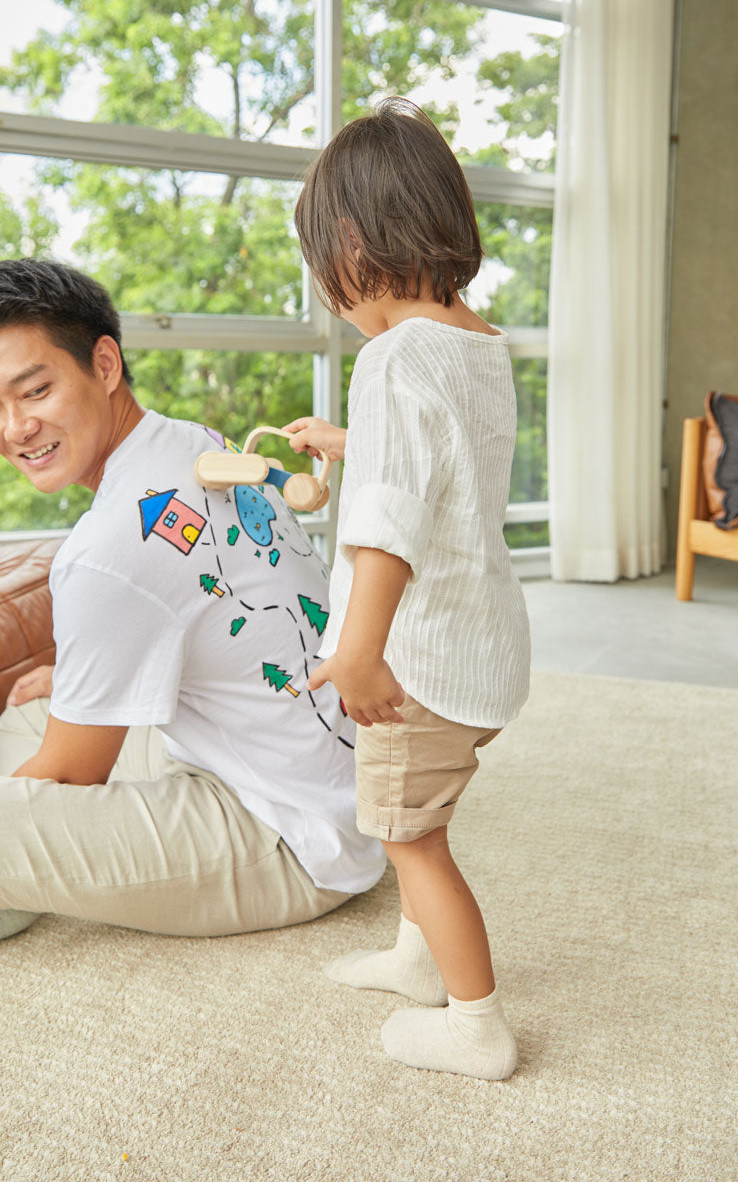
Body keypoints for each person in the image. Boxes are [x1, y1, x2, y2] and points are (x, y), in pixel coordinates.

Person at [0, 259, 384, 982]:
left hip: (290, 838)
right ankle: (10, 889)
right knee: (23, 721)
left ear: (104, 363)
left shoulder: (104, 554)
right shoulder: (190, 439)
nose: (16, 428)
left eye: (35, 390)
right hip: (306, 768)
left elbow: (74, 775)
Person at [282, 98, 531, 1080]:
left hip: (416, 662)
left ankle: (476, 1024)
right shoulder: (477, 344)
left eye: (323, 272)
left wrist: (356, 650)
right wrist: (352, 445)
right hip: (486, 649)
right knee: (418, 817)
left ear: (354, 243)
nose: (331, 298)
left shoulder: (390, 358)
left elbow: (386, 525)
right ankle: (417, 960)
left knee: (410, 836)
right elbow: (443, 465)